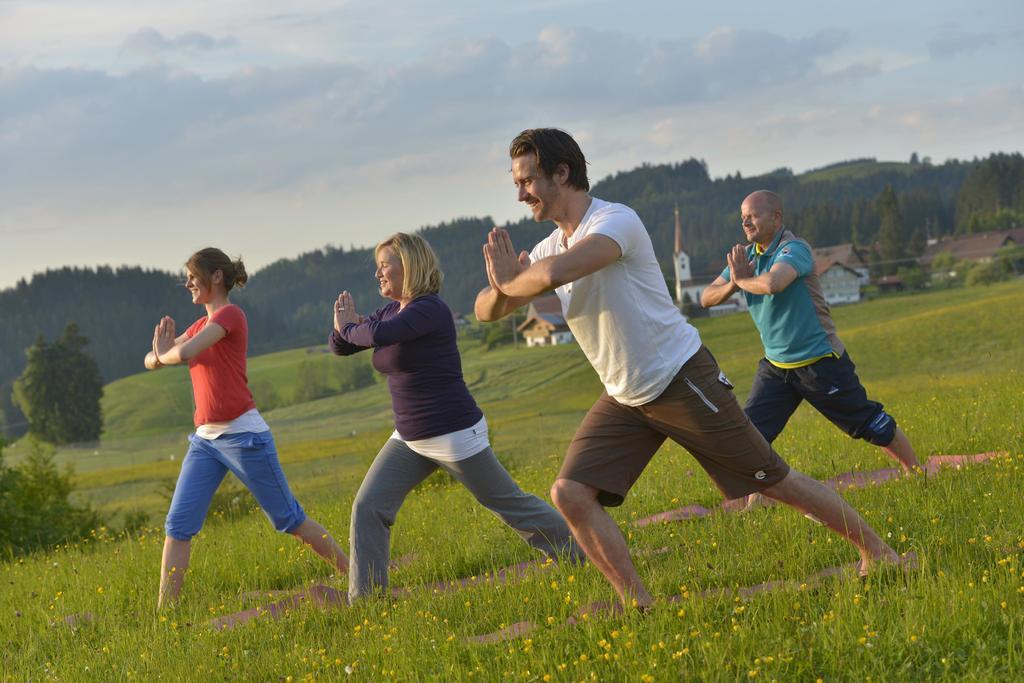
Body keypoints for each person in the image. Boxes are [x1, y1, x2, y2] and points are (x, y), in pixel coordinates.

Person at [475, 128, 906, 611]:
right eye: (516, 183)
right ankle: (638, 605)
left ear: (561, 172)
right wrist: (503, 286)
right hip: (624, 395)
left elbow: (555, 275)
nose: (520, 194)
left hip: (680, 379)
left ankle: (881, 554)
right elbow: (487, 310)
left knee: (773, 480)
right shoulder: (550, 246)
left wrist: (515, 281)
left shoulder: (615, 222)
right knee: (570, 493)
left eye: (528, 179)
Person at [329, 232, 581, 602]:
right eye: (377, 266)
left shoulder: (428, 309)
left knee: (510, 505)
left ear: (409, 266)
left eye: (385, 265)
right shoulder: (391, 309)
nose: (378, 274)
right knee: (368, 507)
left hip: (453, 435)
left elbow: (378, 334)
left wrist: (351, 327)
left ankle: (582, 554)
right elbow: (345, 345)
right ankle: (368, 604)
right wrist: (343, 327)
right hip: (409, 439)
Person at [147, 247, 348, 608]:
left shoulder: (230, 316)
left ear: (217, 277)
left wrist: (163, 353)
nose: (188, 282)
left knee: (289, 519)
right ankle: (165, 613)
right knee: (177, 525)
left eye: (193, 275)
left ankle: (356, 577)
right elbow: (153, 360)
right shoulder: (199, 324)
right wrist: (159, 353)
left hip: (244, 436)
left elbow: (182, 353)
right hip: (205, 441)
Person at [699, 190, 921, 493]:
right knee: (752, 436)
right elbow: (706, 298)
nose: (746, 222)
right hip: (777, 366)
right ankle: (758, 500)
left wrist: (739, 281)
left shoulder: (795, 249)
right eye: (742, 217)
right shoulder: (746, 257)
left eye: (752, 215)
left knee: (867, 423)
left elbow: (774, 283)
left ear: (776, 217)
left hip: (819, 362)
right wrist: (733, 284)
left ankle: (918, 473)